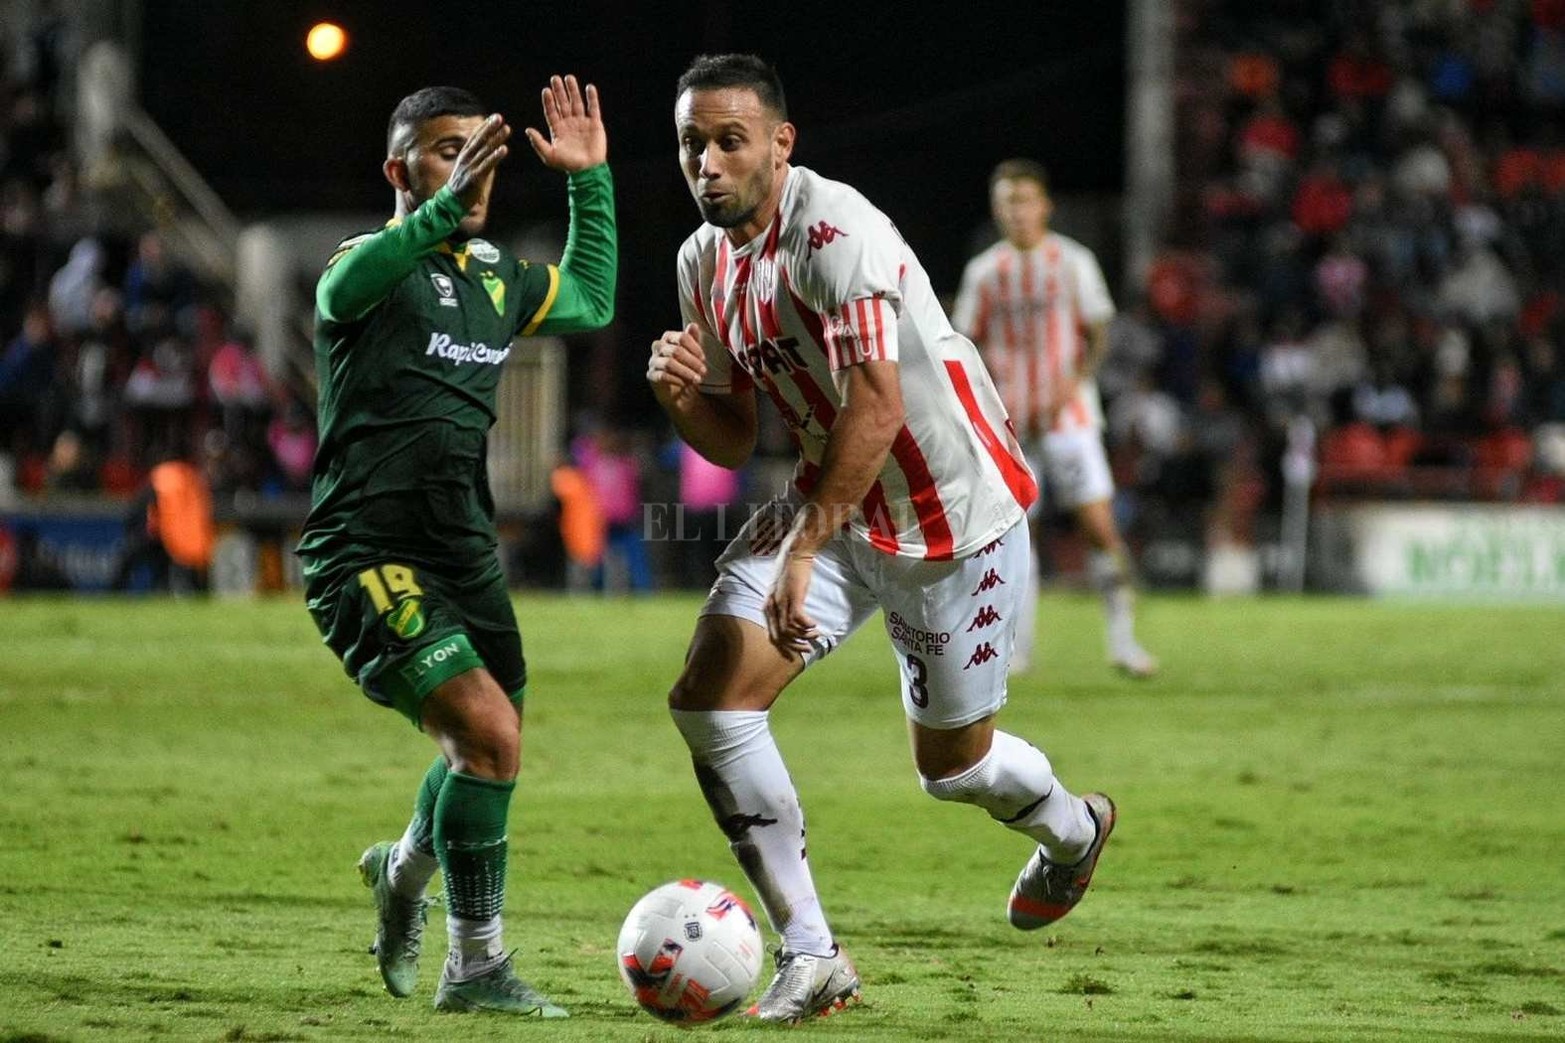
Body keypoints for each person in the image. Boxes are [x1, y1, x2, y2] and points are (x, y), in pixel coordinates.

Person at [647, 54, 1115, 1024]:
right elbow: (731, 439)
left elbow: (876, 403)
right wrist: (682, 396)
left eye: (729, 140)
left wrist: (803, 547)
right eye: (692, 143)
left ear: (780, 143)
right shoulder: (702, 262)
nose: (707, 163)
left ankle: (1073, 829)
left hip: (950, 517)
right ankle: (811, 951)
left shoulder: (835, 230)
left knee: (953, 768)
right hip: (834, 498)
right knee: (711, 696)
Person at [295, 76, 615, 1017]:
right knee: (488, 736)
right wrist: (440, 211)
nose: (473, 169)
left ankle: (399, 872)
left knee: (488, 744)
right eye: (449, 151)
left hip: (463, 549)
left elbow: (592, 298)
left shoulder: (494, 277)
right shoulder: (372, 264)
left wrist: (588, 181)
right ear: (399, 171)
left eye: (483, 152)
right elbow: (339, 288)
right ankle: (475, 967)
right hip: (367, 550)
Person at [952, 159, 1158, 678]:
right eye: (1006, 203)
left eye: (1024, 201)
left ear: (1044, 206)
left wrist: (1073, 383)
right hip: (1009, 428)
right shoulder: (985, 272)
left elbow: (1099, 333)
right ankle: (1016, 652)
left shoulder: (1072, 261)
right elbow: (963, 345)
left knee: (1100, 528)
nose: (1016, 212)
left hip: (1070, 419)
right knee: (1016, 537)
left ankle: (1124, 642)